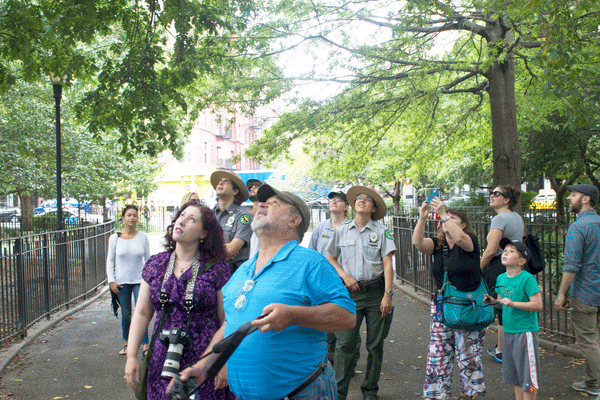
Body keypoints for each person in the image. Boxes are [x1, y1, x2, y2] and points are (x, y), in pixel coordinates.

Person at [175, 184, 356, 400]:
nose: (262, 205)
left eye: (273, 203)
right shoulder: (243, 270)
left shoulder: (309, 261)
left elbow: (347, 316)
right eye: (262, 202)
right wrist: (205, 365)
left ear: (294, 221)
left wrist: (293, 315)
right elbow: (230, 325)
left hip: (301, 393)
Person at [124, 202, 234, 400]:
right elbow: (141, 313)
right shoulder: (156, 264)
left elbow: (227, 319)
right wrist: (132, 356)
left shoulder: (217, 268)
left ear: (203, 234)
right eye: (181, 215)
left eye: (191, 219)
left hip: (204, 359)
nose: (181, 220)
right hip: (162, 359)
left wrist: (223, 362)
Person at [412, 198, 485, 400]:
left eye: (453, 219)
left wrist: (443, 212)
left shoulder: (469, 241)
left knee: (468, 354)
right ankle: (436, 393)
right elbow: (418, 244)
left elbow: (461, 239)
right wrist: (422, 218)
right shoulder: (439, 245)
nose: (446, 221)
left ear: (462, 225)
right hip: (442, 307)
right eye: (444, 219)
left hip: (467, 306)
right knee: (438, 353)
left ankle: (470, 393)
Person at [328, 185, 396, 400]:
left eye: (368, 199)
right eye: (359, 198)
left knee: (375, 345)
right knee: (345, 344)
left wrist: (388, 294)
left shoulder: (381, 231)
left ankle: (370, 390)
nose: (362, 200)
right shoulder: (341, 231)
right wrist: (344, 276)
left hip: (376, 294)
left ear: (374, 208)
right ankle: (339, 393)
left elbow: (388, 264)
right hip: (349, 295)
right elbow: (330, 258)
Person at [554, 184, 600, 399]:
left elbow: (571, 265)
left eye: (573, 195)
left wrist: (562, 293)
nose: (569, 198)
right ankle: (592, 383)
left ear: (586, 199)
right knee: (595, 339)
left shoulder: (578, 227)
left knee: (588, 341)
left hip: (586, 292)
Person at [486, 238, 542, 400]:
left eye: (511, 251)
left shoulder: (527, 279)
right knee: (515, 377)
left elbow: (538, 305)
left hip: (525, 333)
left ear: (522, 261)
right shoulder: (501, 278)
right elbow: (502, 302)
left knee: (529, 379)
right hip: (508, 333)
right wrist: (492, 301)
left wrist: (514, 303)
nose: (505, 253)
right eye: (504, 250)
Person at [480, 185, 524, 363]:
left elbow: (491, 250)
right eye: (491, 193)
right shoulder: (517, 217)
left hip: (500, 266)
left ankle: (502, 351)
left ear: (507, 199)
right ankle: (505, 349)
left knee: (500, 308)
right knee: (508, 308)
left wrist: (479, 268)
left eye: (496, 194)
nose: (492, 196)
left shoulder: (499, 219)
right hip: (516, 266)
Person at [309, 190, 351, 364]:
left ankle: (349, 359)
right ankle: (329, 359)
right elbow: (312, 252)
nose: (334, 202)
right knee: (326, 320)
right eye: (332, 200)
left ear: (346, 207)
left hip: (346, 281)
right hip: (323, 282)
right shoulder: (320, 227)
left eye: (339, 200)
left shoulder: (351, 227)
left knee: (345, 322)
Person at [106, 205, 150, 355]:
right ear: (123, 218)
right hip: (121, 282)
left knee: (141, 311)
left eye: (135, 215)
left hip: (140, 281)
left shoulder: (143, 237)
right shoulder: (115, 238)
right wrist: (111, 280)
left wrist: (150, 280)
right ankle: (127, 344)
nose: (132, 218)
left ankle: (145, 345)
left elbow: (149, 260)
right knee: (126, 314)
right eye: (129, 215)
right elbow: (110, 261)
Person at [210, 170, 253, 273]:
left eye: (226, 181)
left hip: (233, 275)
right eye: (220, 181)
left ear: (235, 191)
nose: (220, 183)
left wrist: (207, 252)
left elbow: (230, 250)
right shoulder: (208, 214)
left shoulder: (244, 216)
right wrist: (220, 253)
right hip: (209, 273)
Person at [246, 178, 264, 256]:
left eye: (256, 187)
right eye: (250, 187)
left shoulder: (265, 218)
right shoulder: (244, 214)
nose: (251, 188)